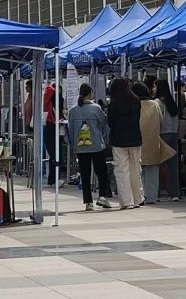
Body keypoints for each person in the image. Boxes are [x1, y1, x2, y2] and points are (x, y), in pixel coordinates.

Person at [68, 84, 112, 210]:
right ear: (90, 93)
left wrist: (74, 144)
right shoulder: (96, 108)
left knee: (85, 173)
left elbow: (71, 129)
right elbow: (103, 124)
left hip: (80, 146)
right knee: (101, 172)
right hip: (96, 144)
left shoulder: (73, 110)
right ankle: (102, 196)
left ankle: (88, 202)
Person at [106, 78, 144, 209]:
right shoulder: (136, 100)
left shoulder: (113, 104)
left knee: (122, 170)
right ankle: (137, 198)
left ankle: (127, 201)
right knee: (135, 169)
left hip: (118, 140)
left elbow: (110, 123)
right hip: (135, 138)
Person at [135, 83, 171, 205]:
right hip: (153, 140)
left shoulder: (134, 105)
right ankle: (152, 197)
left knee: (139, 171)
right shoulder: (155, 104)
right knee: (153, 171)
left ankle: (141, 195)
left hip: (137, 140)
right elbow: (161, 121)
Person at [154, 80, 183, 201]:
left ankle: (156, 193)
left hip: (162, 134)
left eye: (155, 87)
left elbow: (157, 120)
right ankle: (174, 193)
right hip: (174, 134)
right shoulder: (172, 102)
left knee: (158, 165)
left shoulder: (157, 102)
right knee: (173, 166)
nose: (153, 89)